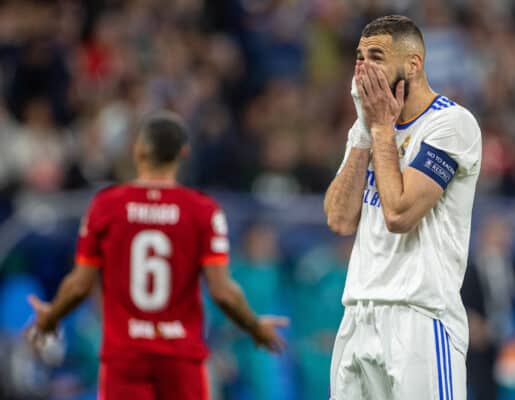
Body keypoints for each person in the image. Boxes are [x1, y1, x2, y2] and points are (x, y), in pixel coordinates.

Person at [25, 111, 288, 400]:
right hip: (180, 360)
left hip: (125, 359)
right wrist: (254, 326)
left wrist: (51, 316)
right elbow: (222, 291)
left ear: (139, 151)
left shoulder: (106, 207)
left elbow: (79, 284)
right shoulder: (202, 211)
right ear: (183, 153)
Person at [324, 15, 482, 400]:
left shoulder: (451, 124)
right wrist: (365, 129)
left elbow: (399, 214)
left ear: (414, 64)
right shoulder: (368, 127)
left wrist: (379, 128)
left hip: (419, 318)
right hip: (358, 314)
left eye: (376, 56)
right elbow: (340, 219)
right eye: (359, 57)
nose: (362, 67)